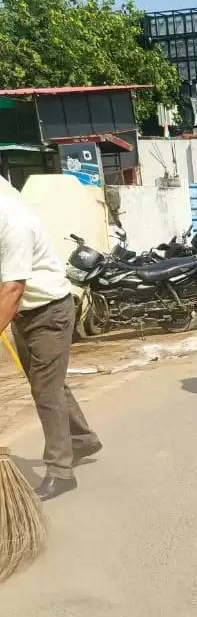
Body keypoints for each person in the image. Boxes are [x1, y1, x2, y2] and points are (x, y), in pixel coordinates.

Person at [0, 190, 101, 500]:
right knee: (48, 382)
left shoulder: (13, 222)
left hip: (48, 312)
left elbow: (13, 288)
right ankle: (82, 439)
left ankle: (60, 471)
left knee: (46, 390)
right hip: (23, 312)